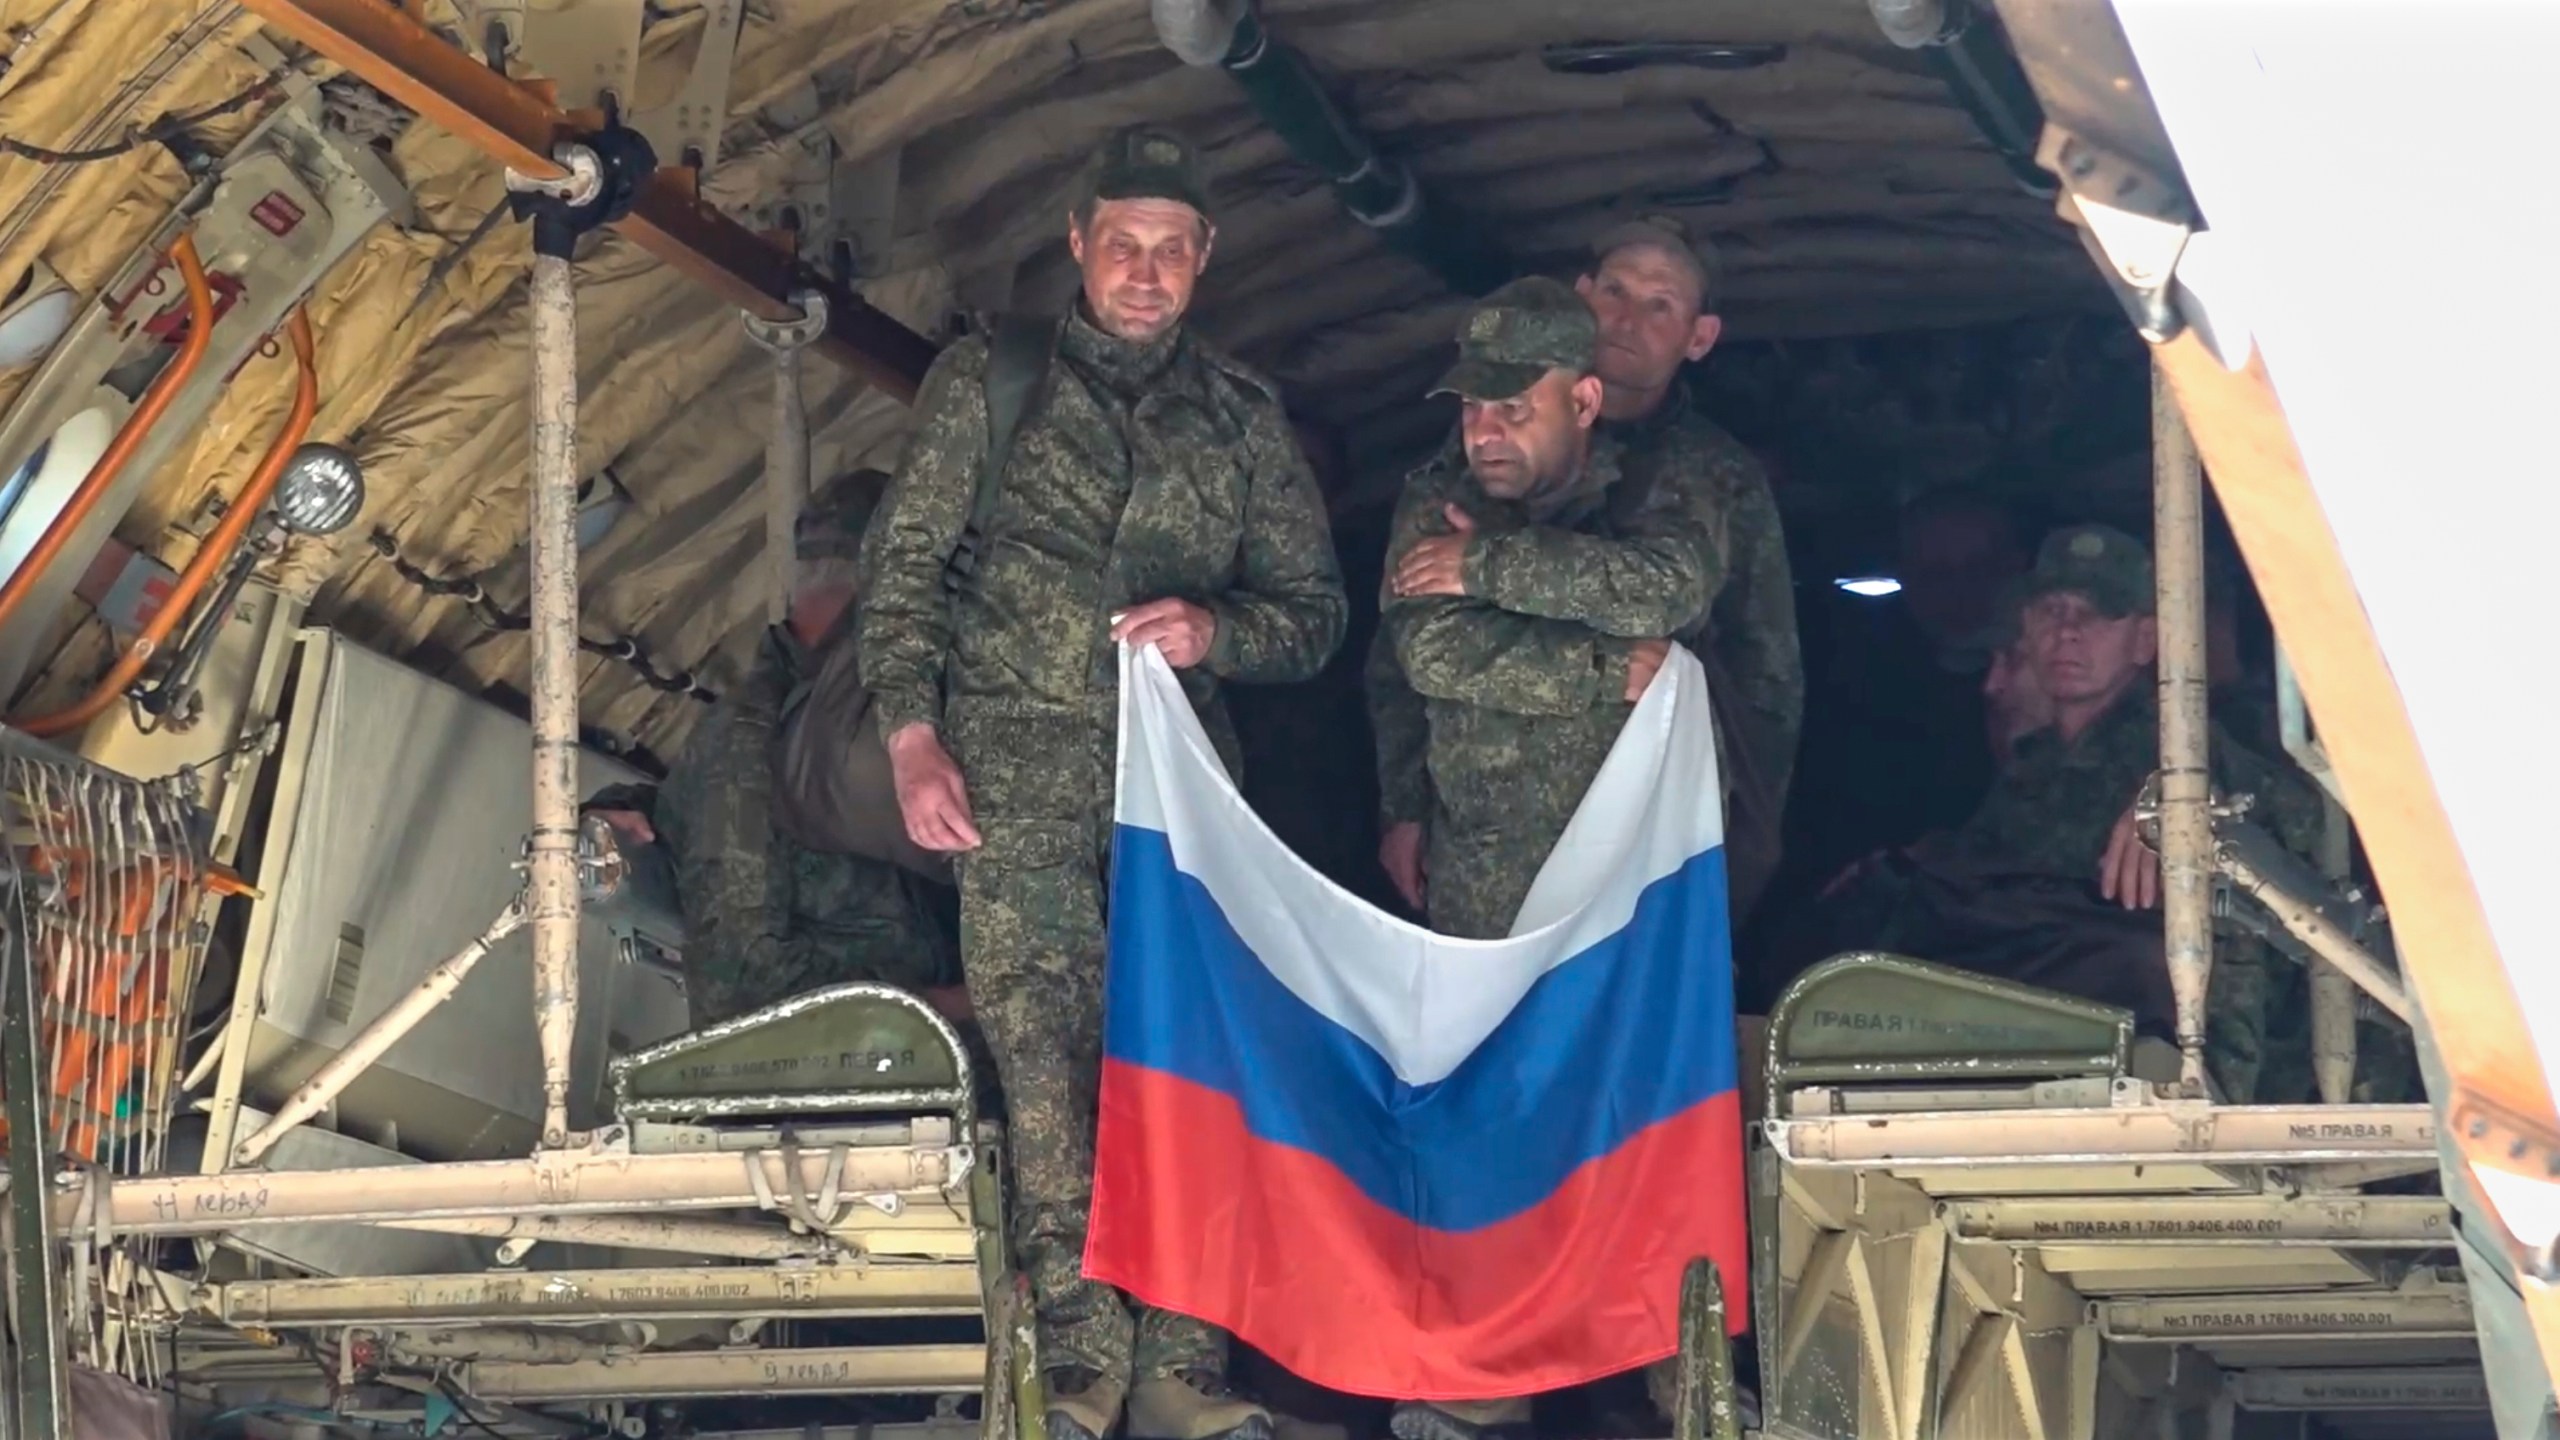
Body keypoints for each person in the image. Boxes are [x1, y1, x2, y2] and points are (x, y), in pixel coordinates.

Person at [856, 124, 1347, 1440]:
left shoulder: (1242, 418)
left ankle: (1182, 1365)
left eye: (1169, 252)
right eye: (1120, 245)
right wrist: (911, 736)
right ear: (1077, 245)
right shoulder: (990, 383)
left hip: (1178, 789)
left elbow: (1315, 614)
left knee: (1179, 1062)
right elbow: (902, 570)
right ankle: (1076, 1360)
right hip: (1012, 775)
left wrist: (1218, 633)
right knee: (1046, 1065)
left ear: (1205, 261)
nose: (1143, 272)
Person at [1370, 275, 1719, 1440]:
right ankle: (1481, 1380)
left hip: (1640, 868)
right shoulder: (1432, 496)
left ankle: (1678, 1372)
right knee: (1488, 1122)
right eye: (1469, 411)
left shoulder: (1665, 483)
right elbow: (1430, 657)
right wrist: (1593, 669)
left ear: (1581, 400)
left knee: (1647, 1117)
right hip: (1487, 870)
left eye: (1511, 410)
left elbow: (1669, 585)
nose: (1484, 434)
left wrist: (1493, 568)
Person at [1373, 217, 1802, 927]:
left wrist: (1743, 835)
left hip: (1645, 842)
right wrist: (1403, 805)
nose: (1625, 319)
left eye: (1659, 304)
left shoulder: (1705, 475)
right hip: (1487, 850)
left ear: (1699, 337)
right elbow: (1410, 656)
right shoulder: (1461, 475)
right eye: (1613, 290)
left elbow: (1761, 666)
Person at [1801, 523, 2324, 1099]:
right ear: (2025, 628)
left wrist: (2178, 793)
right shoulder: (2036, 763)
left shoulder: (2184, 742)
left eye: (2099, 614)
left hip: (2190, 1043)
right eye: (2052, 609)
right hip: (2060, 1028)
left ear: (2145, 642)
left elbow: (2294, 813)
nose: (2069, 632)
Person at [584, 471, 962, 1028]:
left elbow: (665, 811)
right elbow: (745, 994)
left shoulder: (810, 712)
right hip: (881, 1065)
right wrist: (967, 1004)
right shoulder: (745, 748)